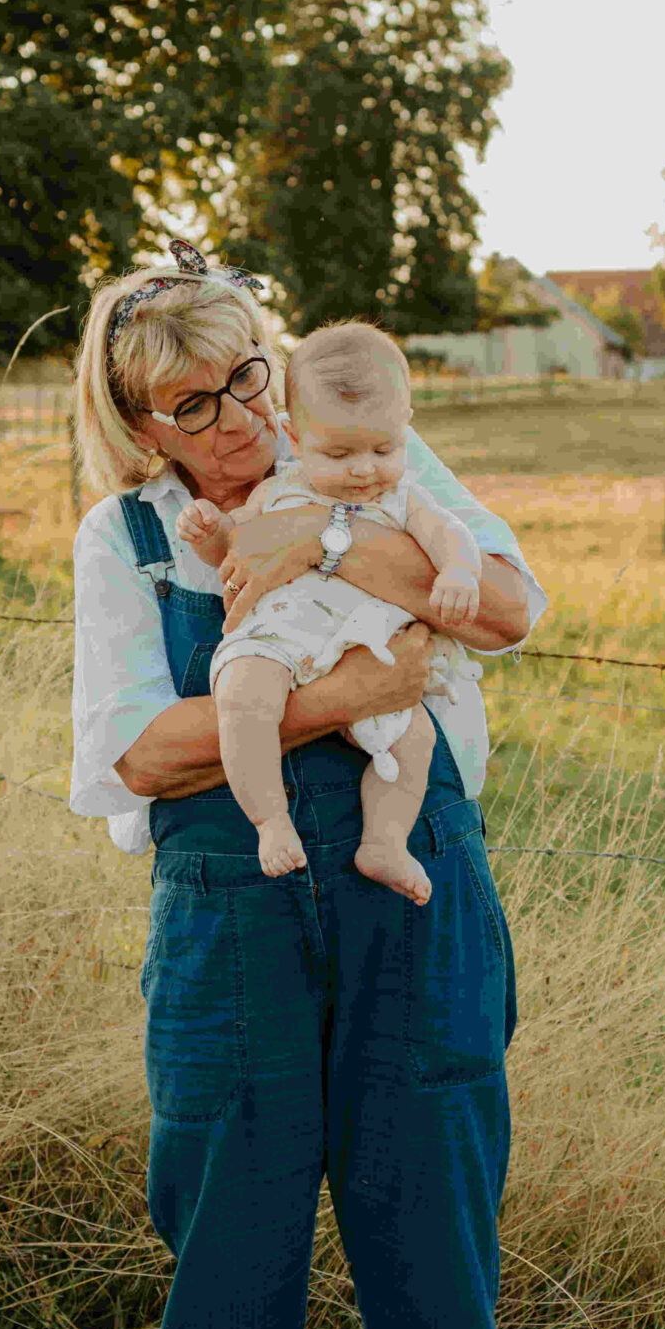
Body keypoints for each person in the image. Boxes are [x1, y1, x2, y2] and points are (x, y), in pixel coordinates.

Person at [67, 241, 548, 1329]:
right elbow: (127, 757)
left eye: (243, 379)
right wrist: (334, 692)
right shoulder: (126, 542)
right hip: (228, 909)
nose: (231, 421)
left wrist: (324, 547)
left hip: (412, 893)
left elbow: (514, 604)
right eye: (187, 404)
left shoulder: (376, 454)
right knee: (225, 1238)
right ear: (136, 424)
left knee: (428, 1231)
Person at [179, 319, 485, 903]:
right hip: (280, 636)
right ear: (295, 439)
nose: (364, 469)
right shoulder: (278, 493)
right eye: (339, 453)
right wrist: (210, 534)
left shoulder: (403, 497)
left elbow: (451, 536)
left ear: (405, 431)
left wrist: (459, 571)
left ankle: (385, 843)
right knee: (243, 698)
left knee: (413, 739)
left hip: (368, 643)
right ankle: (270, 819)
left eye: (382, 448)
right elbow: (234, 551)